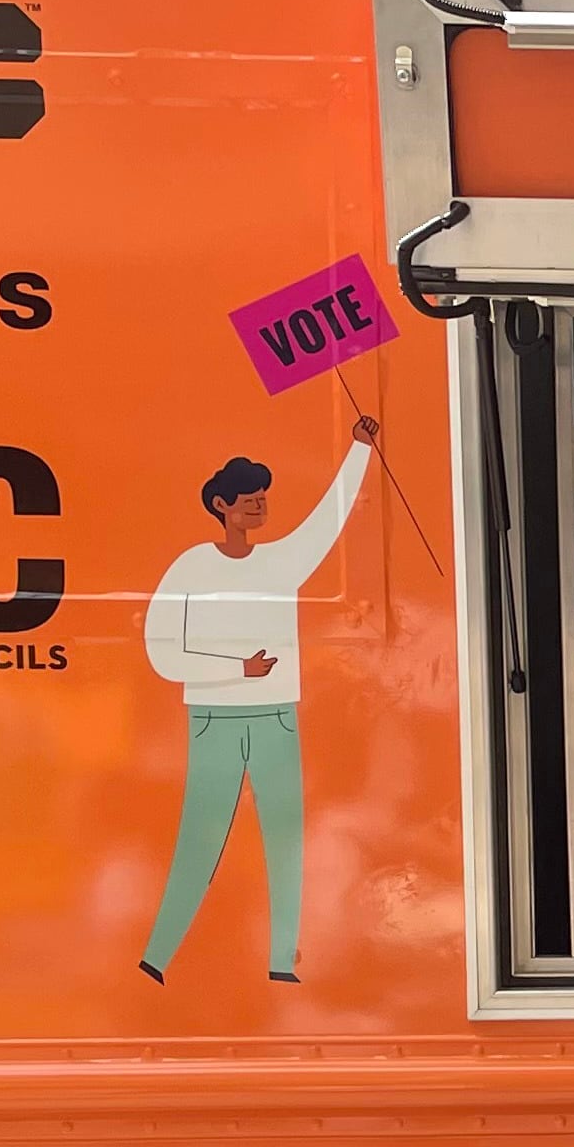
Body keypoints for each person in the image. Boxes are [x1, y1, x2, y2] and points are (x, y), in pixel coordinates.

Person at [140, 415, 377, 984]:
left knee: (286, 841)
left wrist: (359, 451)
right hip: (213, 720)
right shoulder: (191, 567)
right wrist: (234, 670)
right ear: (221, 505)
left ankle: (281, 964)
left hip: (277, 717)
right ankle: (158, 956)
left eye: (263, 499)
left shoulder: (280, 564)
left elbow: (328, 522)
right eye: (249, 499)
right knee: (201, 837)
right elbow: (161, 650)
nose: (259, 507)